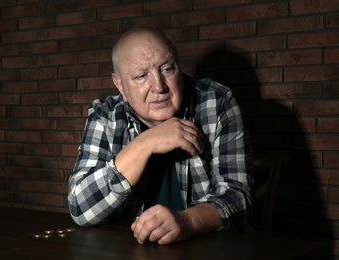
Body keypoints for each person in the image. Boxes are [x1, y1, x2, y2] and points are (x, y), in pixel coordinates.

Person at [68, 27, 253, 245]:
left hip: (208, 249)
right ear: (120, 86)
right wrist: (144, 144)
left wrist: (187, 221)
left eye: (167, 69)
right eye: (141, 76)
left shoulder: (216, 101)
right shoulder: (105, 116)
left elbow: (238, 195)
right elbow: (81, 209)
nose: (159, 86)